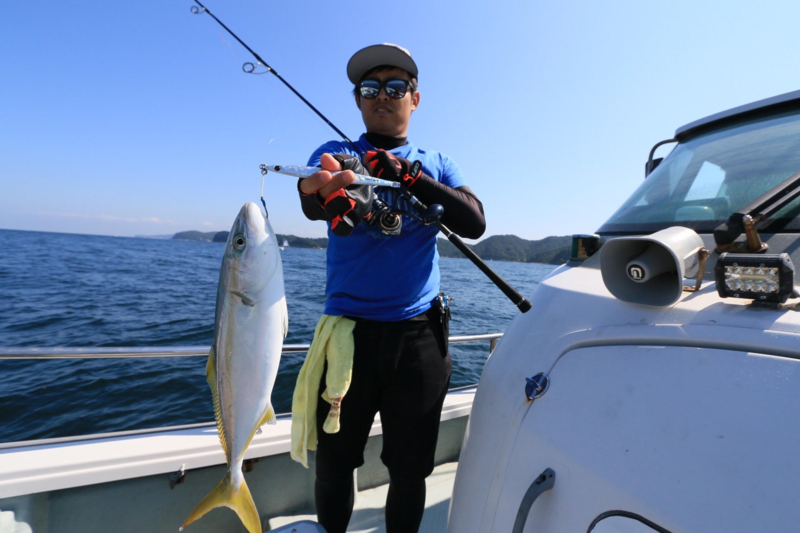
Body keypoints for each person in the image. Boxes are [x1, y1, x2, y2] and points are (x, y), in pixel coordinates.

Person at [296, 43, 485, 533]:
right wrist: (322, 190)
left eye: (396, 87)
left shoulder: (437, 161)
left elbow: (474, 221)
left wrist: (409, 175)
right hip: (348, 338)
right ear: (358, 100)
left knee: (410, 467)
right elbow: (313, 202)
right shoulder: (336, 153)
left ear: (414, 99)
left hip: (418, 337)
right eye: (370, 88)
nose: (383, 96)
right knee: (336, 462)